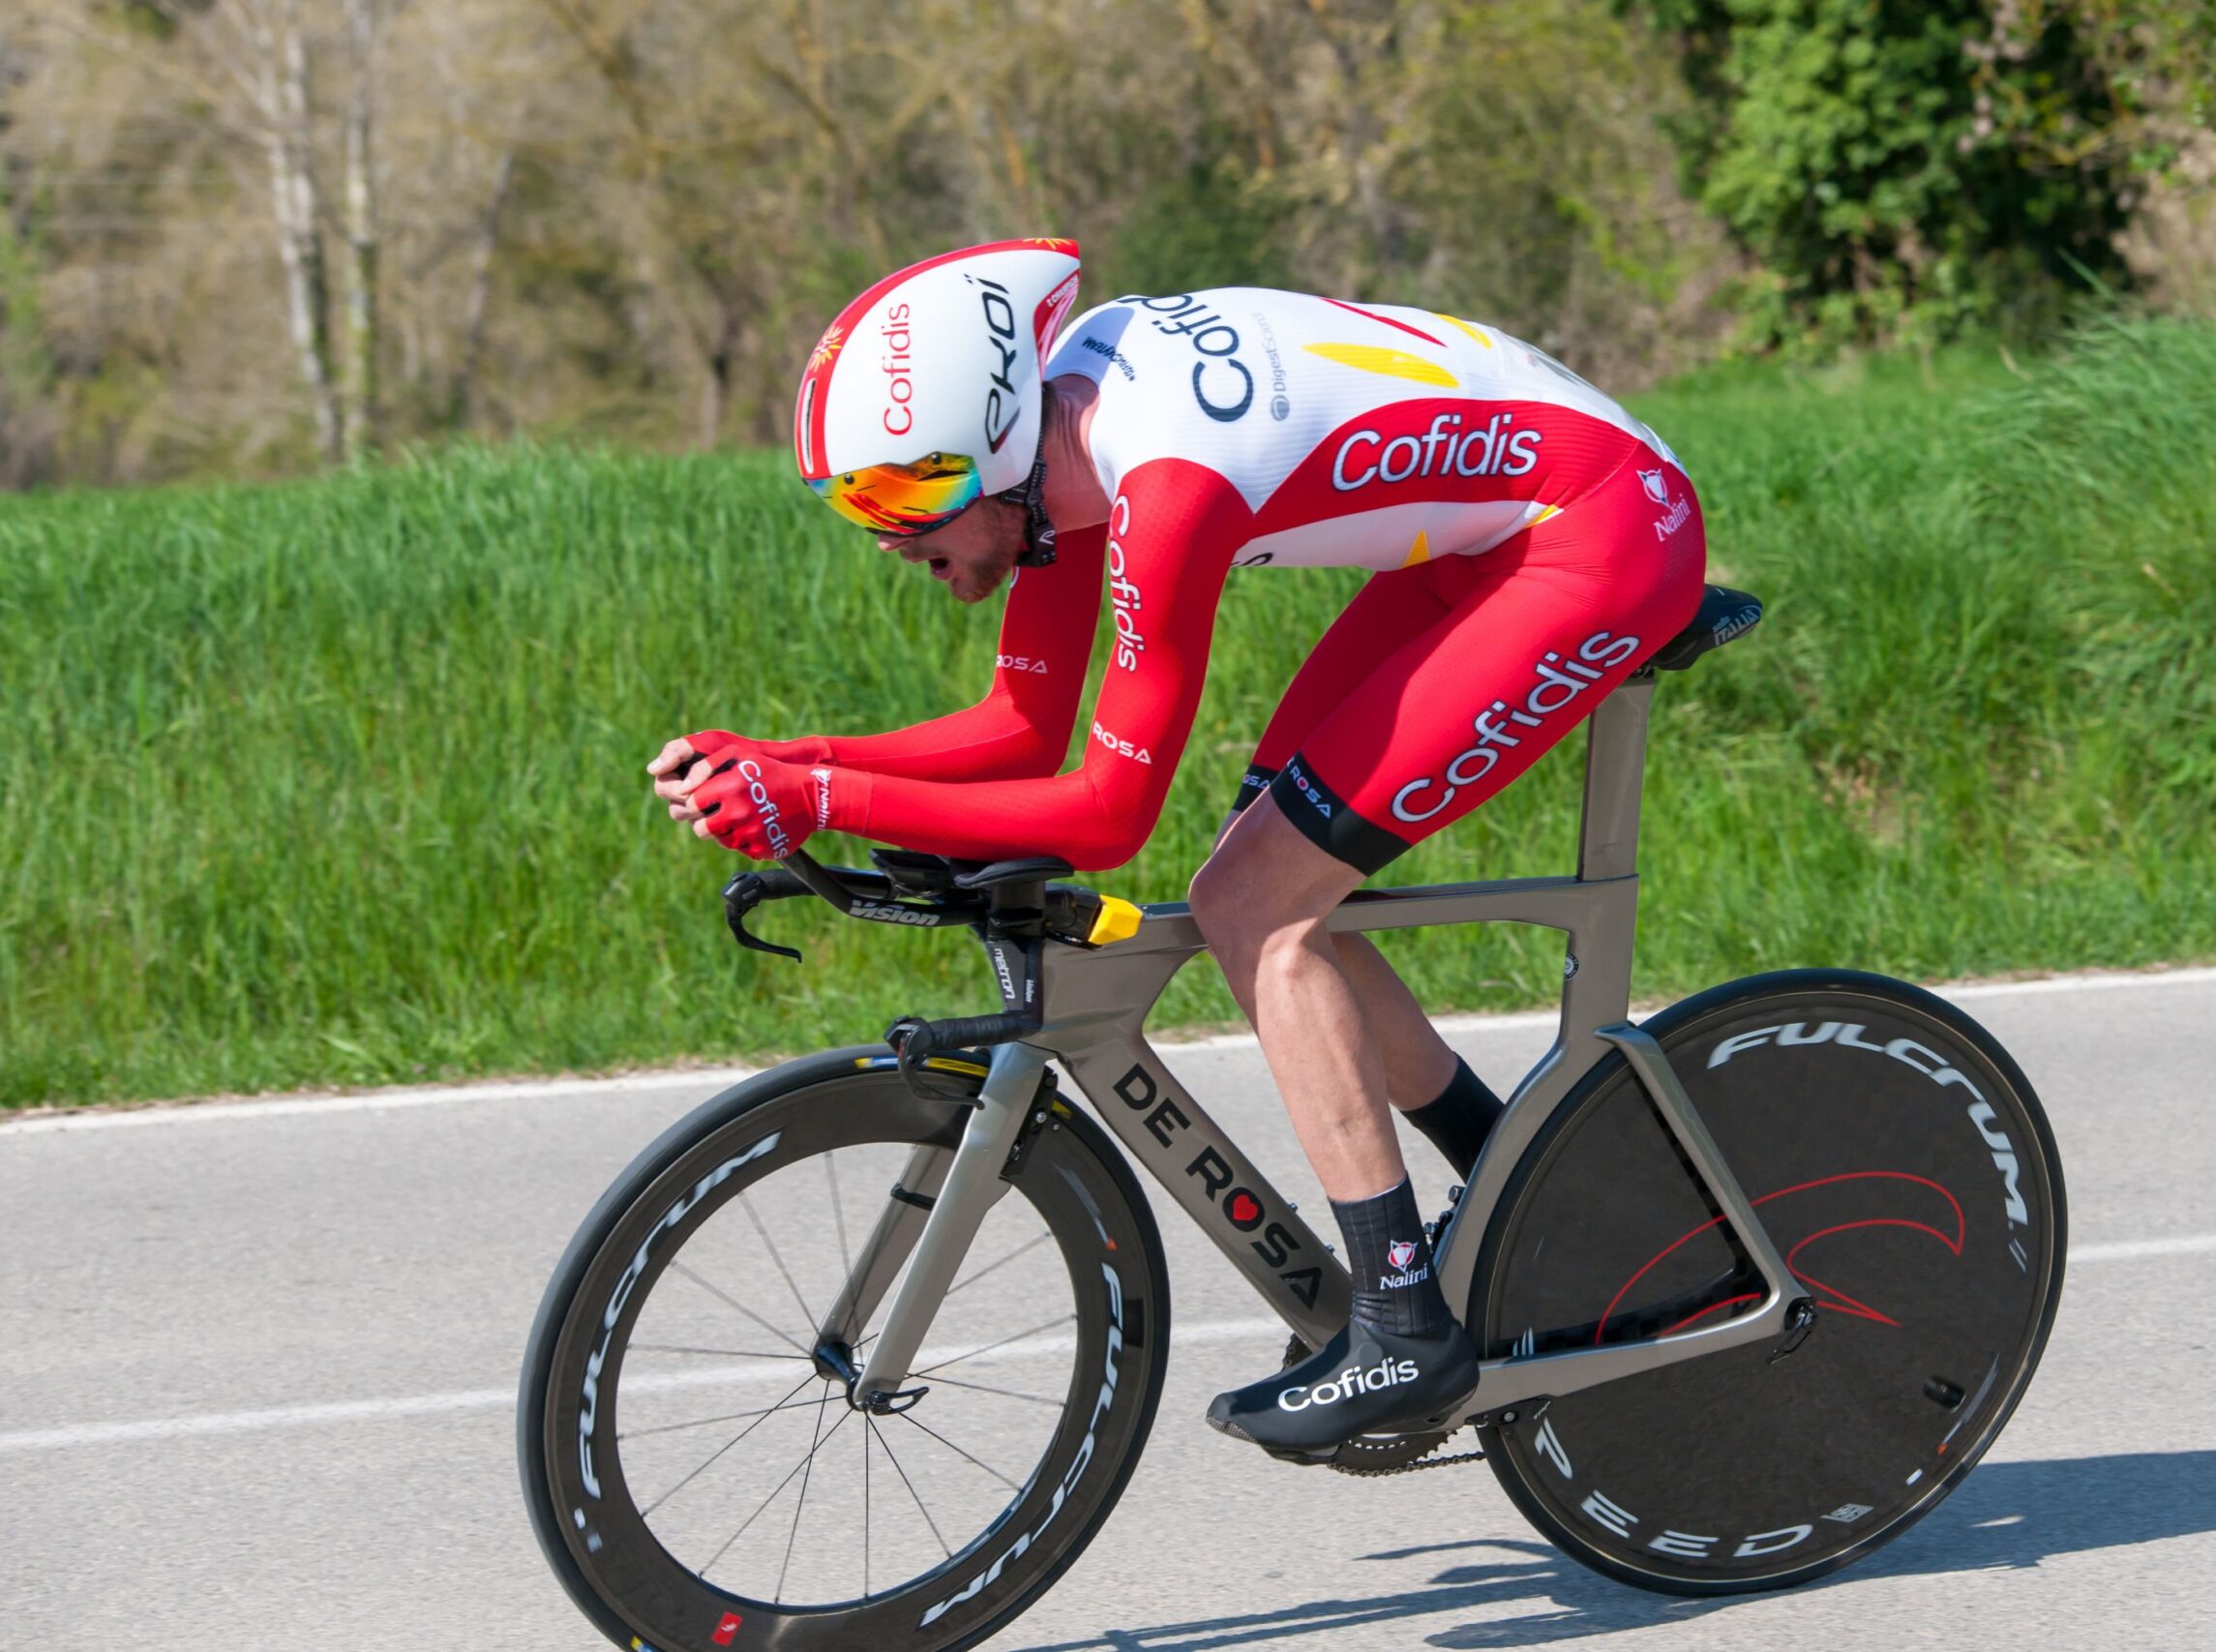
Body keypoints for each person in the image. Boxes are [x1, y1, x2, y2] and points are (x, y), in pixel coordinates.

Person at [647, 239, 1707, 1458]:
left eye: (903, 503)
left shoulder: (1162, 479)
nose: (894, 544)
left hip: (1599, 533)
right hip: (1486, 538)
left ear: (989, 436)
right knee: (1261, 871)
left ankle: (1406, 1325)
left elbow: (1104, 814)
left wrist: (817, 798)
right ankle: (1528, 1181)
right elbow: (1018, 729)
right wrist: (784, 760)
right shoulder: (1053, 459)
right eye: (860, 513)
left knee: (1257, 898)